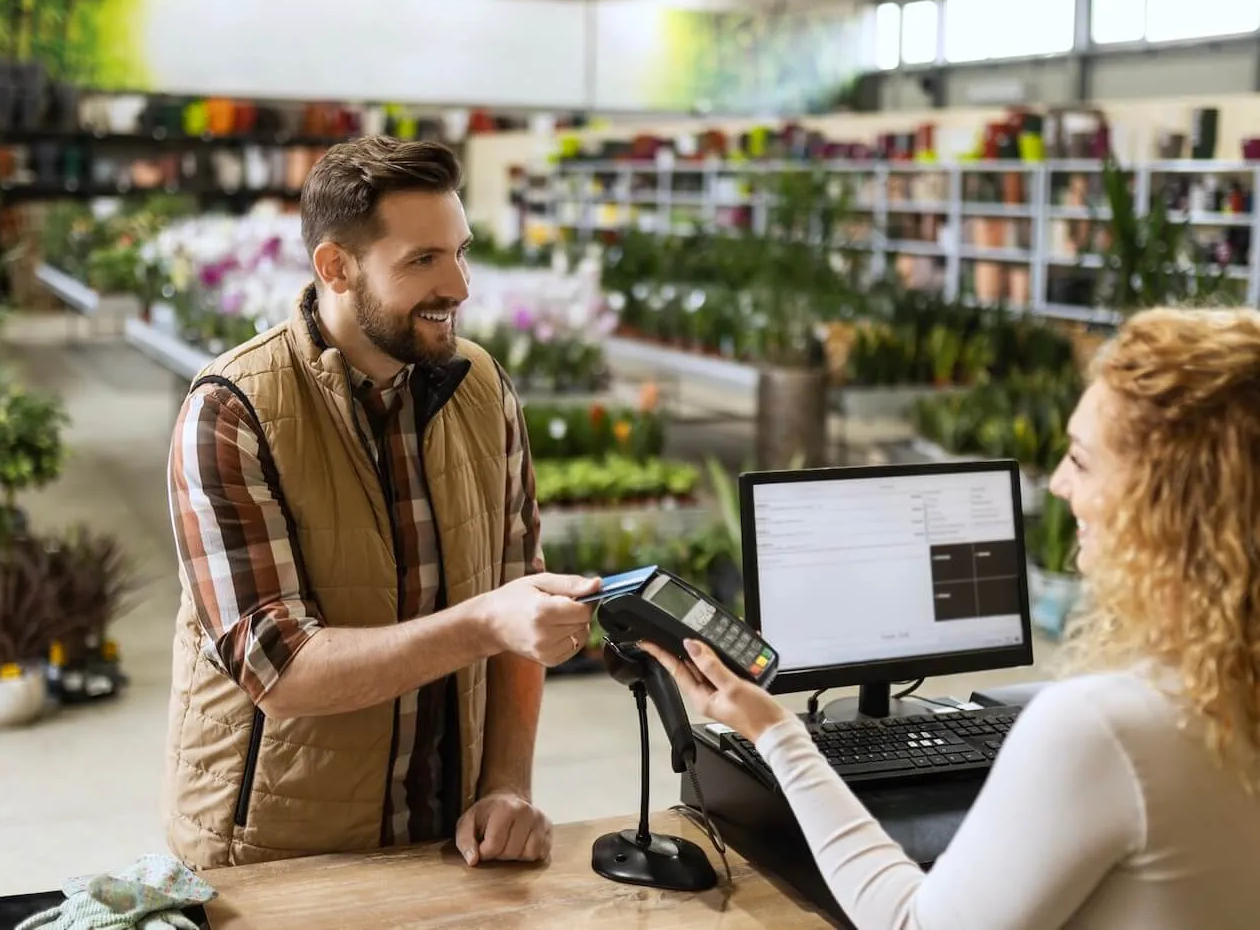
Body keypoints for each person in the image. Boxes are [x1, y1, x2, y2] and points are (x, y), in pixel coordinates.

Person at [644, 306, 1260, 929]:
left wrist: (776, 733)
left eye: (1080, 459)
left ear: (1165, 497)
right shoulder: (1228, 694)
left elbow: (915, 924)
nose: (1059, 488)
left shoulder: (1108, 729)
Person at [162, 136, 599, 870]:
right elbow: (281, 669)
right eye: (423, 260)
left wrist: (505, 786)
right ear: (336, 267)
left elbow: (521, 592)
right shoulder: (232, 412)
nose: (458, 286)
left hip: (447, 839)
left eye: (461, 252)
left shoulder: (482, 387)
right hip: (276, 855)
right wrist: (487, 620)